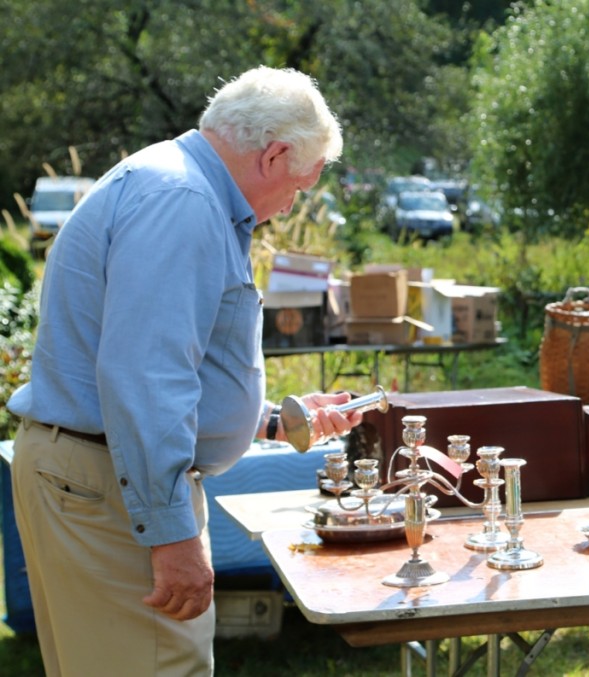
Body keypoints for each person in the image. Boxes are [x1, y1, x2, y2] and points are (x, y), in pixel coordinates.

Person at [9, 66, 359, 676]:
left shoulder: (174, 183)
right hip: (109, 480)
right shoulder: (183, 201)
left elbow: (162, 365)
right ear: (274, 155)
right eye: (301, 185)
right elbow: (147, 380)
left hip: (99, 470)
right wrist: (172, 538)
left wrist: (271, 421)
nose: (291, 204)